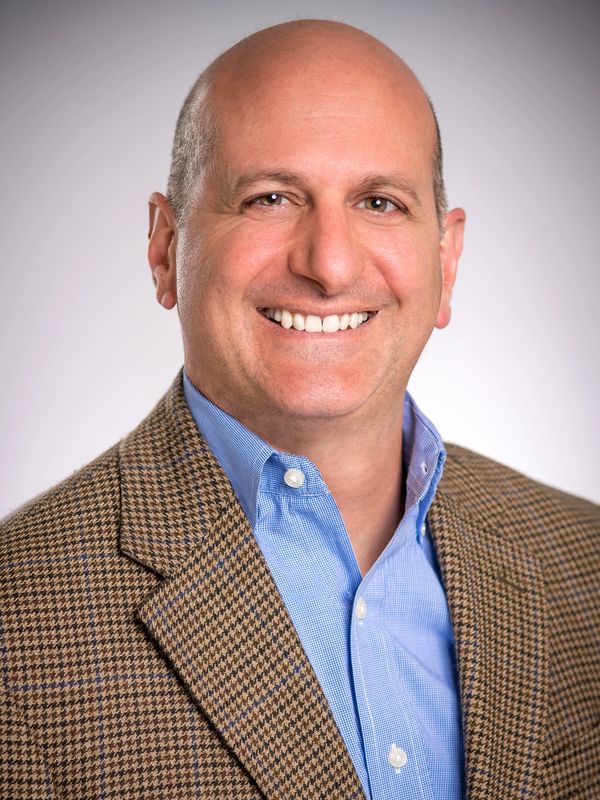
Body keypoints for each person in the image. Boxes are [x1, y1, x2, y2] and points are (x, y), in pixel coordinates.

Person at [0, 18, 598, 800]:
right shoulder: (19, 626)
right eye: (270, 197)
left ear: (446, 262)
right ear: (164, 247)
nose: (330, 263)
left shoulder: (583, 560)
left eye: (379, 202)